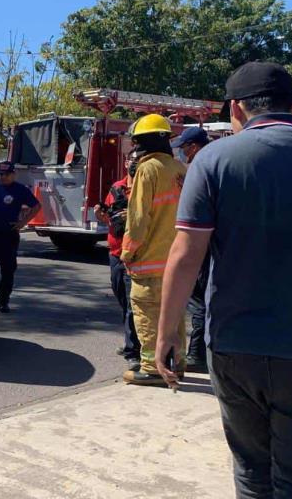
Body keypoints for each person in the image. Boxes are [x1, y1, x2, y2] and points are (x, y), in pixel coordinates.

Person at [156, 61, 292, 497]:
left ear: (237, 109)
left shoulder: (212, 159)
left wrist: (167, 334)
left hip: (237, 347)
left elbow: (186, 253)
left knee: (252, 473)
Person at [119, 114, 187, 386]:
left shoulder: (148, 170)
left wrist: (128, 253)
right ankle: (177, 364)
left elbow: (137, 220)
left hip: (151, 261)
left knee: (147, 312)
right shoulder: (180, 169)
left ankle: (152, 367)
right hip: (178, 260)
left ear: (141, 142)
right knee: (175, 312)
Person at [94, 151, 141, 371]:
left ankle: (134, 352)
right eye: (131, 159)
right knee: (122, 299)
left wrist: (130, 214)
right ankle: (131, 340)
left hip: (135, 254)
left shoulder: (144, 186)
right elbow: (107, 217)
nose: (134, 163)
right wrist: (101, 215)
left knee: (133, 304)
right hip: (115, 253)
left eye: (137, 159)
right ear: (125, 162)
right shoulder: (116, 187)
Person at [170, 127, 212, 373]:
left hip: (201, 246)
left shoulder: (200, 168)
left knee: (198, 302)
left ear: (193, 147)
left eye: (184, 149)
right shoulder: (217, 163)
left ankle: (197, 355)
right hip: (214, 246)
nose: (182, 154)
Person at [0, 161, 42, 313]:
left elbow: (36, 206)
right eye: (1, 174)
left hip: (8, 236)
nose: (3, 177)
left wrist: (23, 222)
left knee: (7, 271)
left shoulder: (20, 190)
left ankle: (3, 301)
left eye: (6, 174)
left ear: (13, 174)